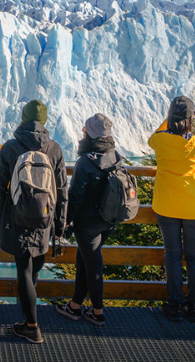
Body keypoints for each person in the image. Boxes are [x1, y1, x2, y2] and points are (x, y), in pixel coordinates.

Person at [0, 100, 67, 344]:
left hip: (17, 218)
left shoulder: (10, 148)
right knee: (34, 270)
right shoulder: (55, 149)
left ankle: (32, 326)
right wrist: (60, 224)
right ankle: (28, 318)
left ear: (23, 119)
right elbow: (62, 189)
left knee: (23, 269)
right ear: (44, 121)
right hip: (46, 219)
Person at [149, 96, 195, 323]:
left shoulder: (160, 141)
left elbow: (154, 137)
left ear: (171, 117)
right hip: (194, 208)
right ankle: (194, 307)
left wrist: (169, 119)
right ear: (191, 120)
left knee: (172, 256)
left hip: (166, 206)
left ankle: (174, 305)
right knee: (194, 257)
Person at [55, 113, 120, 327]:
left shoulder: (86, 161)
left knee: (92, 265)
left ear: (89, 134)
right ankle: (75, 306)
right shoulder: (114, 155)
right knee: (84, 261)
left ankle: (98, 312)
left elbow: (75, 197)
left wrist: (64, 222)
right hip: (107, 220)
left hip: (88, 224)